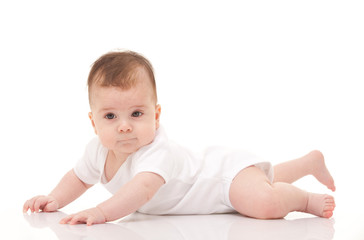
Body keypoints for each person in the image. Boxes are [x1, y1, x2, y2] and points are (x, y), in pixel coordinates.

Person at [23, 50, 336, 226]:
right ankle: (308, 162)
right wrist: (56, 199)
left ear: (156, 115)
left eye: (136, 114)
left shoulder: (156, 151)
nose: (124, 127)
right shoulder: (97, 152)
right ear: (93, 122)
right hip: (216, 193)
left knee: (264, 201)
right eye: (110, 117)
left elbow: (142, 190)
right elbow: (78, 178)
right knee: (258, 184)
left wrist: (101, 211)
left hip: (221, 179)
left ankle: (303, 198)